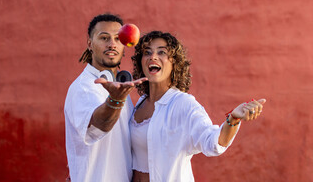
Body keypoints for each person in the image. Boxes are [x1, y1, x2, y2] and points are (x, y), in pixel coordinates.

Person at [130, 31, 266, 182]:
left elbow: (212, 142)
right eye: (147, 52)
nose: (153, 57)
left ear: (174, 63)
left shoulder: (183, 103)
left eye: (162, 52)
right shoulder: (140, 103)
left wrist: (233, 119)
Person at [64, 13, 147, 181]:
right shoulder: (84, 88)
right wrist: (115, 101)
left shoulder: (119, 85)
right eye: (104, 38)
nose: (112, 44)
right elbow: (97, 126)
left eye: (118, 39)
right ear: (90, 44)